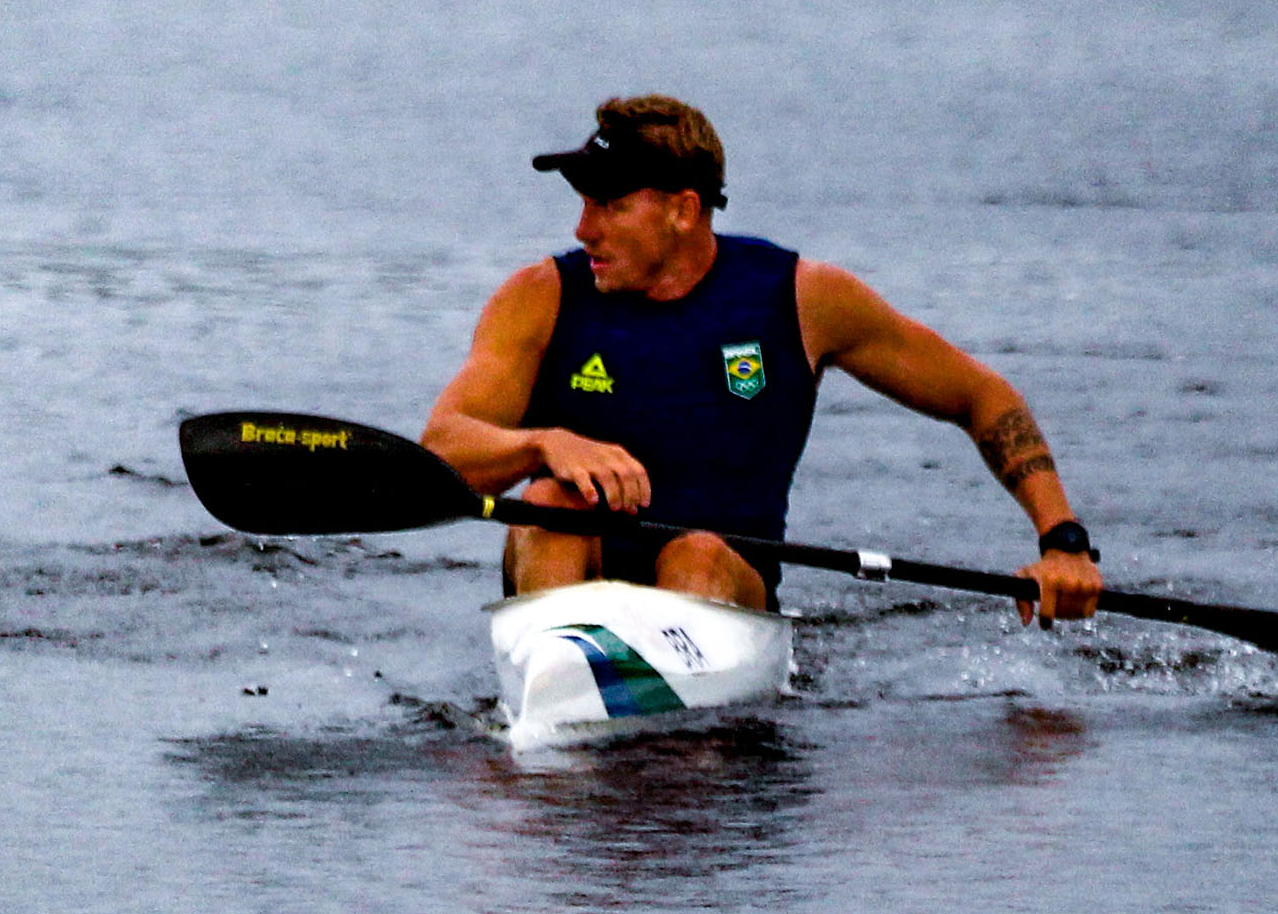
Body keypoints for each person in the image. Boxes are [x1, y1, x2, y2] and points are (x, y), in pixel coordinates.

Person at [423, 95, 1102, 624]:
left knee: (697, 552)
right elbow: (442, 450)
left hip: (723, 592)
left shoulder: (803, 299)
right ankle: (558, 683)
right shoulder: (538, 298)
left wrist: (1062, 541)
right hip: (572, 574)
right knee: (550, 504)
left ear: (683, 212)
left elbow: (980, 397)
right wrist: (545, 443)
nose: (582, 228)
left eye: (609, 204)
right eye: (582, 203)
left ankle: (665, 718)